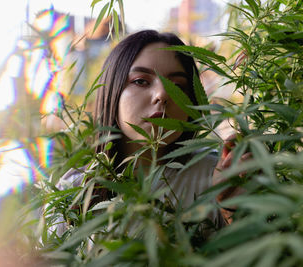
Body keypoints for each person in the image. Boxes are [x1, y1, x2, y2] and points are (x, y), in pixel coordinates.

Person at [56, 30, 246, 234]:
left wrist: (232, 212)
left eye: (177, 86)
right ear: (113, 91)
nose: (163, 94)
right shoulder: (73, 190)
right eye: (141, 81)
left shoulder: (217, 177)